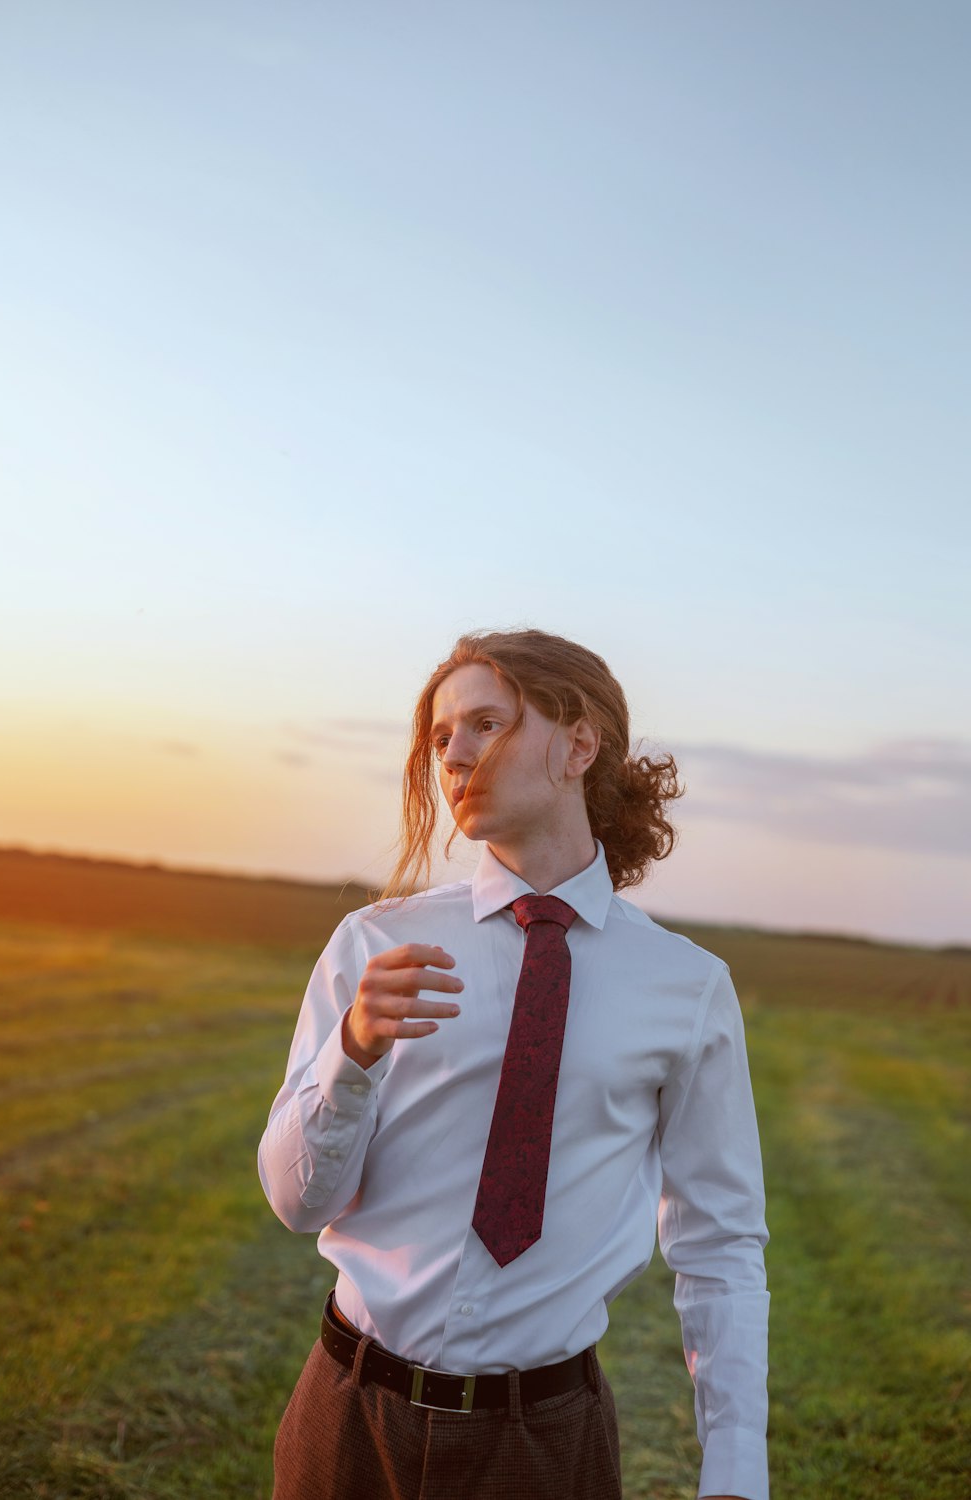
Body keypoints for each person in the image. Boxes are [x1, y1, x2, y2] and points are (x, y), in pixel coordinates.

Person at [258, 629, 769, 1500]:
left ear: (579, 745)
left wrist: (735, 1472)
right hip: (347, 1420)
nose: (453, 754)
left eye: (486, 723)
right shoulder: (378, 944)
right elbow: (294, 1202)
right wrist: (352, 1053)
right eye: (441, 735)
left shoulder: (686, 988)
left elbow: (719, 1244)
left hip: (546, 1446)